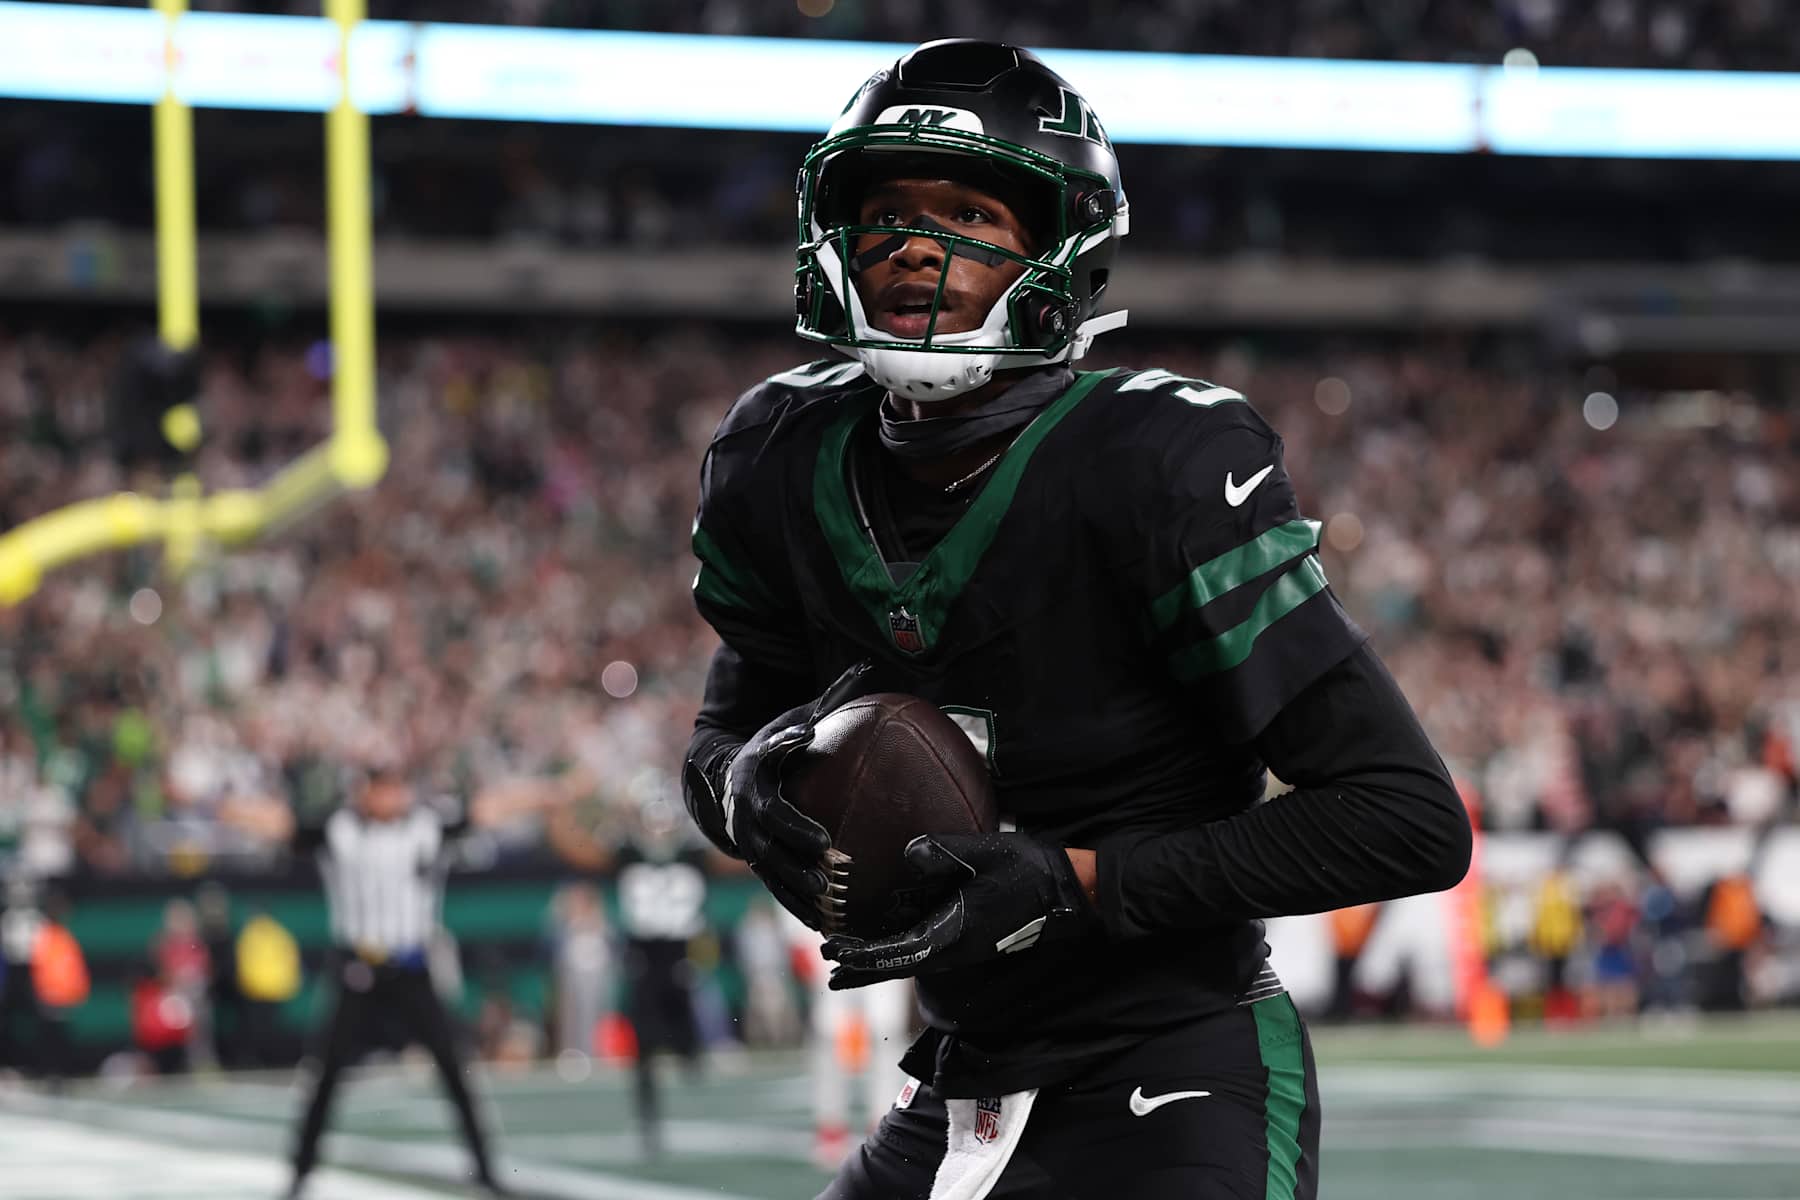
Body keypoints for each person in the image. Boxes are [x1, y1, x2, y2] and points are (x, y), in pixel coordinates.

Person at [680, 39, 1473, 1200]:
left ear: (1062, 249)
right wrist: (737, 791)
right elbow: (722, 742)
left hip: (1172, 1066)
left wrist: (1079, 883)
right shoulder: (778, 456)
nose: (914, 243)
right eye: (887, 210)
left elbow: (1406, 820)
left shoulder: (1157, 462)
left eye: (968, 213)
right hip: (958, 1081)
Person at [285, 764, 509, 1199]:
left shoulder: (426, 828)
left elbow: (488, 809)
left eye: (396, 788)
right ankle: (300, 1172)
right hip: (358, 970)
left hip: (412, 970)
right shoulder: (341, 830)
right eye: (382, 789)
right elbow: (280, 824)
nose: (391, 798)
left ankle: (484, 1168)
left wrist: (552, 793)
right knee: (327, 1074)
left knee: (454, 1069)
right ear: (365, 793)